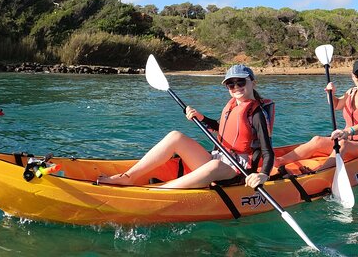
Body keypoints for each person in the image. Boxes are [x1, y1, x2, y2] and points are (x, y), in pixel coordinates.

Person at [97, 64, 275, 189]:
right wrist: (201, 117)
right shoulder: (233, 106)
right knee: (175, 136)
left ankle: (158, 193)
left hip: (237, 169)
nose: (236, 87)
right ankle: (128, 178)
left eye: (241, 82)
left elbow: (268, 151)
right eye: (230, 84)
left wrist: (263, 175)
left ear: (253, 83)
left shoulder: (257, 113)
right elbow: (225, 129)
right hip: (219, 157)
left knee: (213, 167)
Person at [275, 58, 358, 171]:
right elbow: (337, 105)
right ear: (353, 76)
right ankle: (279, 161)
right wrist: (331, 94)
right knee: (317, 139)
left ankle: (318, 172)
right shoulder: (350, 92)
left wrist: (347, 131)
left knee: (343, 144)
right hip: (347, 139)